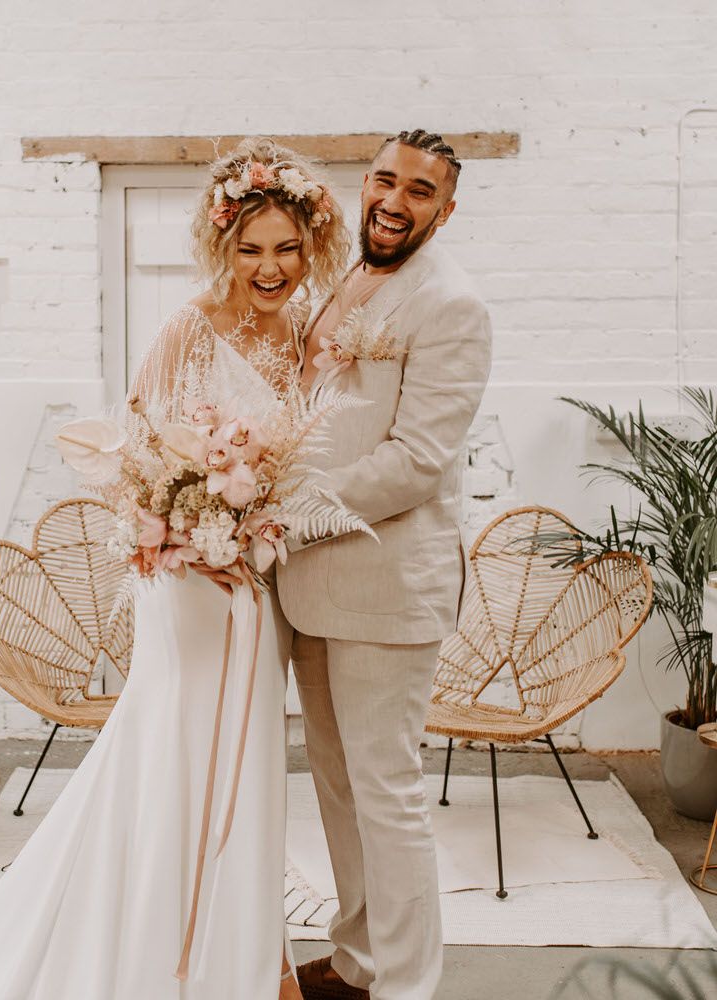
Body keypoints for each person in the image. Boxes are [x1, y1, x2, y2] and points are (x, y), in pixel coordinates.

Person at [0, 138, 349, 1000]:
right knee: (171, 747)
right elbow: (136, 452)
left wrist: (258, 529)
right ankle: (156, 951)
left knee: (249, 760)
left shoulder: (310, 342)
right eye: (251, 248)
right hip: (187, 586)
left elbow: (309, 464)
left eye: (287, 248)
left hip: (257, 589)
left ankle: (244, 959)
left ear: (311, 245)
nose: (271, 266)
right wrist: (180, 537)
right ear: (224, 246)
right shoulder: (188, 329)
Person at [277, 130, 493, 1000]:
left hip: (386, 587)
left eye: (420, 190)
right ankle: (359, 962)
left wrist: (286, 515)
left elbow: (417, 461)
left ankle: (404, 988)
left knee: (390, 799)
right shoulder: (347, 275)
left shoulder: (453, 305)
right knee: (338, 790)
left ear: (446, 208)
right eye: (385, 179)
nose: (395, 201)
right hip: (315, 590)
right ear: (365, 183)